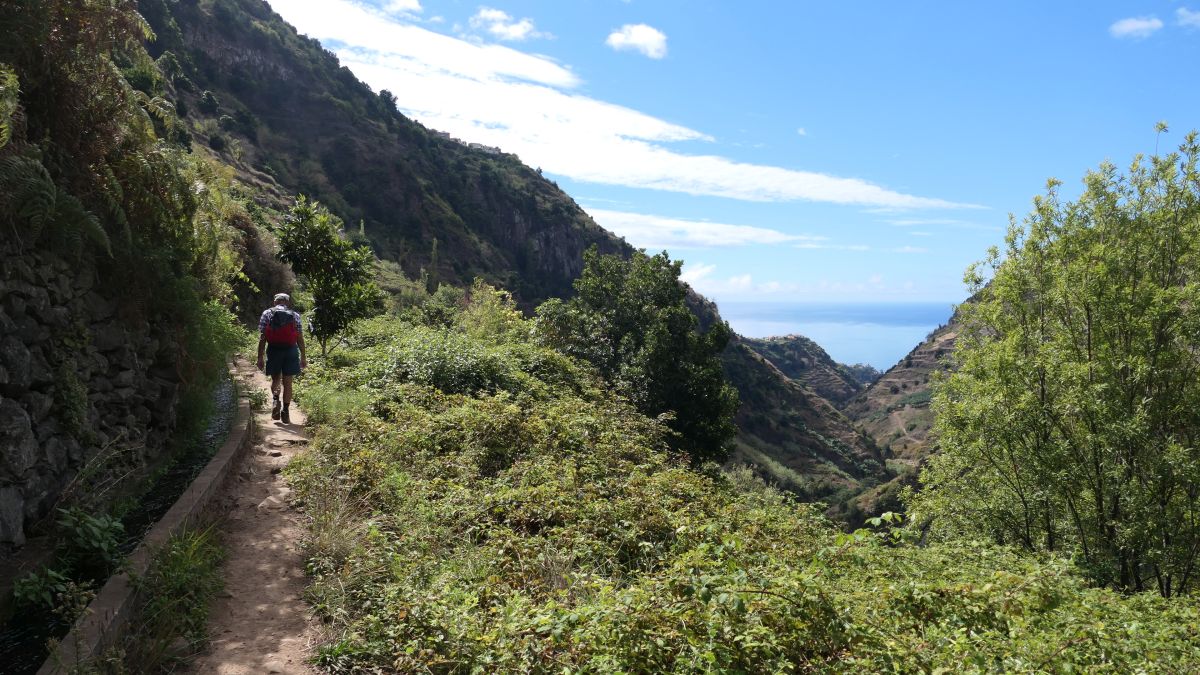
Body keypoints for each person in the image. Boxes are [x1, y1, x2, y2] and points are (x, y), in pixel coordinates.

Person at [256, 293, 307, 424]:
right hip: (290, 350)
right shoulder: (295, 315)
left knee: (276, 378)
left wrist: (260, 357)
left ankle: (275, 400)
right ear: (287, 302)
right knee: (288, 382)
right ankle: (286, 411)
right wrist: (303, 356)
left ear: (275, 302)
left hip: (274, 349)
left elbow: (263, 338)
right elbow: (299, 337)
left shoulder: (267, 313)